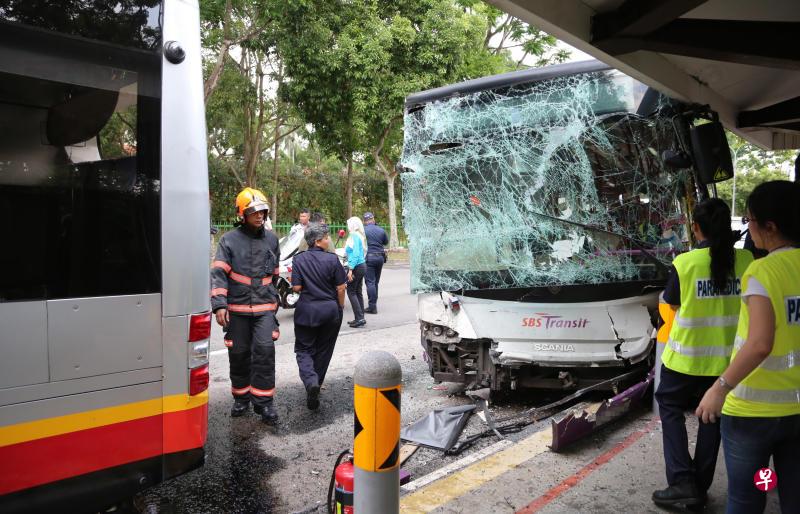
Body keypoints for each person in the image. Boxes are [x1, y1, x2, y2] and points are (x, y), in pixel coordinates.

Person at [696, 181, 800, 514]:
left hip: (753, 415)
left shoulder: (763, 270)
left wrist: (719, 388)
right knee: (793, 494)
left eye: (751, 220)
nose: (747, 227)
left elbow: (759, 344)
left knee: (749, 496)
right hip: (796, 412)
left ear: (771, 226)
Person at [652, 198, 754, 509]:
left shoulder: (685, 263)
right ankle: (699, 484)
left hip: (684, 361)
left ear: (696, 228)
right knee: (711, 419)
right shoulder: (748, 260)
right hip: (727, 365)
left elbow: (670, 304)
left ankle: (683, 482)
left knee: (669, 408)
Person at [211, 188, 281, 425]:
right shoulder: (228, 240)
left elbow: (275, 274)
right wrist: (219, 305)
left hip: (264, 308)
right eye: (253, 212)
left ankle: (265, 403)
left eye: (262, 211)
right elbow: (218, 273)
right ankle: (241, 398)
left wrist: (274, 303)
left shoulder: (272, 239)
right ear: (242, 214)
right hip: (237, 309)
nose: (259, 216)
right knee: (239, 353)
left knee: (264, 352)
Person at [291, 223, 347, 410]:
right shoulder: (332, 260)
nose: (328, 239)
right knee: (324, 350)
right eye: (326, 237)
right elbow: (341, 287)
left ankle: (310, 381)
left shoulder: (299, 260)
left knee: (304, 349)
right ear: (317, 241)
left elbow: (296, 288)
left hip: (306, 311)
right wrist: (340, 307)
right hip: (330, 311)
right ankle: (315, 385)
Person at [363, 212, 389, 314]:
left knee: (370, 282)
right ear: (373, 219)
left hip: (369, 258)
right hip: (380, 258)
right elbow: (385, 242)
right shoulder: (381, 230)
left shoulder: (363, 231)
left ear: (365, 221)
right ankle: (373, 304)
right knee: (375, 282)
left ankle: (372, 307)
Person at [344, 216, 367, 328]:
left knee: (351, 291)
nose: (347, 226)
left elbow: (356, 253)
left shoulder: (353, 236)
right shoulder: (360, 236)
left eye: (349, 224)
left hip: (356, 266)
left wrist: (351, 269)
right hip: (362, 265)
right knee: (358, 292)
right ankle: (361, 317)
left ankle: (359, 318)